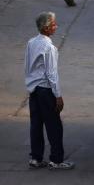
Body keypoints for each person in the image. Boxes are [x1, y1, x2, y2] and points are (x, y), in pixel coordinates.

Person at [25, 12, 74, 170]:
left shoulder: (31, 42)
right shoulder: (49, 47)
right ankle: (56, 160)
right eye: (53, 24)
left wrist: (30, 84)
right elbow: (51, 73)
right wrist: (58, 96)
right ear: (46, 28)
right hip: (46, 91)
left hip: (34, 89)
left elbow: (27, 66)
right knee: (54, 125)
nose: (56, 27)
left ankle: (36, 158)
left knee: (36, 125)